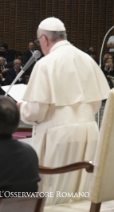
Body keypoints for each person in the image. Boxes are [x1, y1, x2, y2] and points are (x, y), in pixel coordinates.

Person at [18, 17, 110, 205]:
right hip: (89, 131)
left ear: (44, 39)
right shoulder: (86, 59)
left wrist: (21, 107)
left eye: (38, 41)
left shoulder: (45, 63)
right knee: (82, 190)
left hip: (59, 136)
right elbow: (95, 102)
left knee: (55, 191)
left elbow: (35, 112)